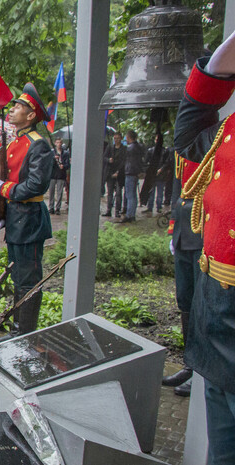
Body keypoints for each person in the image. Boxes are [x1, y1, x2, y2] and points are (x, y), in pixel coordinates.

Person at [173, 32, 235, 463]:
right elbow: (189, 133)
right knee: (222, 448)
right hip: (216, 316)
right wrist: (217, 69)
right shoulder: (228, 132)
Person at [0, 83, 53, 343]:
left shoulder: (39, 145)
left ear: (31, 116)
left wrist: (5, 188)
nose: (13, 109)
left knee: (28, 280)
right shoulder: (16, 142)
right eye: (13, 105)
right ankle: (18, 331)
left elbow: (37, 184)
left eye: (19, 107)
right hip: (16, 218)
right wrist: (1, 216)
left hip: (29, 220)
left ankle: (25, 334)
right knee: (18, 277)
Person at [162, 152, 200, 397]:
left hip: (205, 230)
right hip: (185, 232)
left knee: (202, 304)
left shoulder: (215, 140)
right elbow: (180, 188)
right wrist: (174, 225)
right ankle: (190, 364)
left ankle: (201, 369)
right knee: (185, 300)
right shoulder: (185, 150)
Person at [118, 130, 144, 223]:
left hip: (130, 172)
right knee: (132, 194)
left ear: (128, 137)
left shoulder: (130, 148)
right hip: (135, 172)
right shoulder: (139, 147)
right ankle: (131, 213)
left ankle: (130, 215)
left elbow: (127, 160)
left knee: (130, 195)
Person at [143, 133, 169, 214]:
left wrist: (161, 169)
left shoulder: (165, 151)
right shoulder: (150, 150)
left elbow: (167, 162)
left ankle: (159, 207)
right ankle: (150, 207)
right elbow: (146, 162)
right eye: (156, 140)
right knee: (151, 192)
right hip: (152, 174)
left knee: (160, 192)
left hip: (161, 175)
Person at [102, 132, 126, 217]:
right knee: (110, 193)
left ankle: (117, 210)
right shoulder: (110, 147)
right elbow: (104, 157)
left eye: (118, 138)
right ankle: (109, 210)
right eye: (115, 138)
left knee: (118, 193)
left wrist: (118, 172)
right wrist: (108, 160)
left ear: (121, 138)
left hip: (119, 173)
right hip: (109, 173)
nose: (116, 140)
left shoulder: (124, 149)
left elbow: (124, 161)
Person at [48, 138, 69, 215]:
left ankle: (58, 208)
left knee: (59, 192)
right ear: (55, 143)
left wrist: (64, 166)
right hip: (53, 175)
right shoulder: (52, 152)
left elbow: (68, 165)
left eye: (60, 142)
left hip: (61, 175)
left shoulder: (65, 153)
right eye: (57, 142)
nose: (59, 144)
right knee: (51, 192)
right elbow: (48, 163)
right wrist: (54, 159)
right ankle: (51, 207)